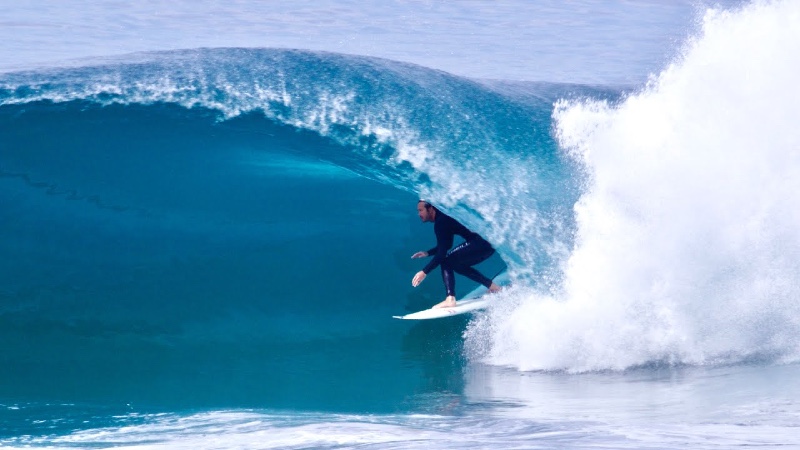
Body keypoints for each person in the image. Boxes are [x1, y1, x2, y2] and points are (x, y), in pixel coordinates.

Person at [411, 200, 501, 308]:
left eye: (421, 210)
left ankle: (450, 299)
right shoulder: (444, 218)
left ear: (430, 209)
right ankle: (494, 288)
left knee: (447, 261)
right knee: (457, 264)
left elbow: (442, 253)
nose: (419, 214)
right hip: (487, 244)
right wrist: (427, 253)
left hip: (480, 243)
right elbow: (446, 245)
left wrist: (424, 272)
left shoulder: (441, 222)